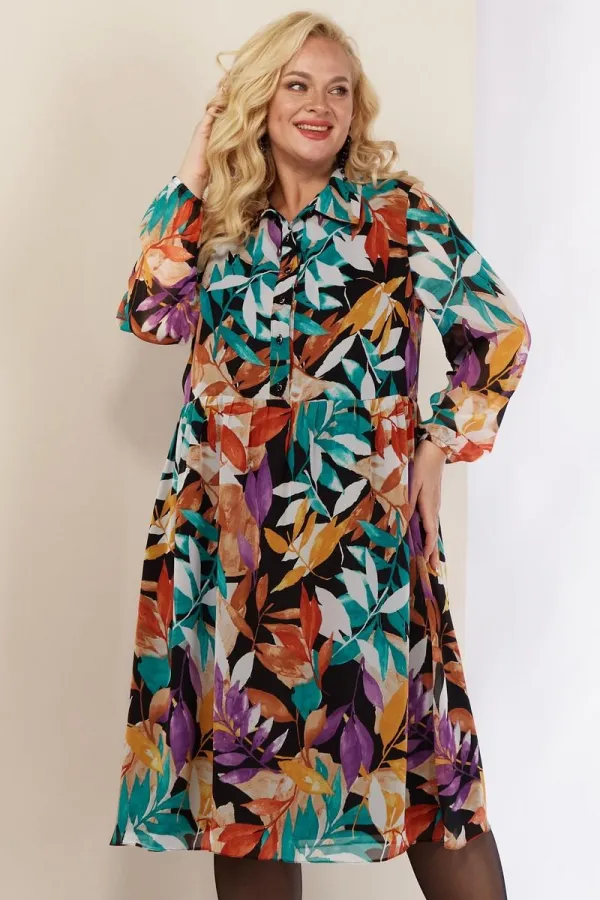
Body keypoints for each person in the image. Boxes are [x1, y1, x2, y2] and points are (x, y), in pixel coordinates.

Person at [108, 10, 531, 900]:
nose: (320, 105)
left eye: (338, 90)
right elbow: (151, 313)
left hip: (360, 554)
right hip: (229, 552)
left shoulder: (396, 215)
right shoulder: (216, 220)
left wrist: (437, 442)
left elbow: (497, 333)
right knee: (247, 796)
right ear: (259, 100)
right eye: (297, 85)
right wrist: (194, 165)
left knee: (430, 784)